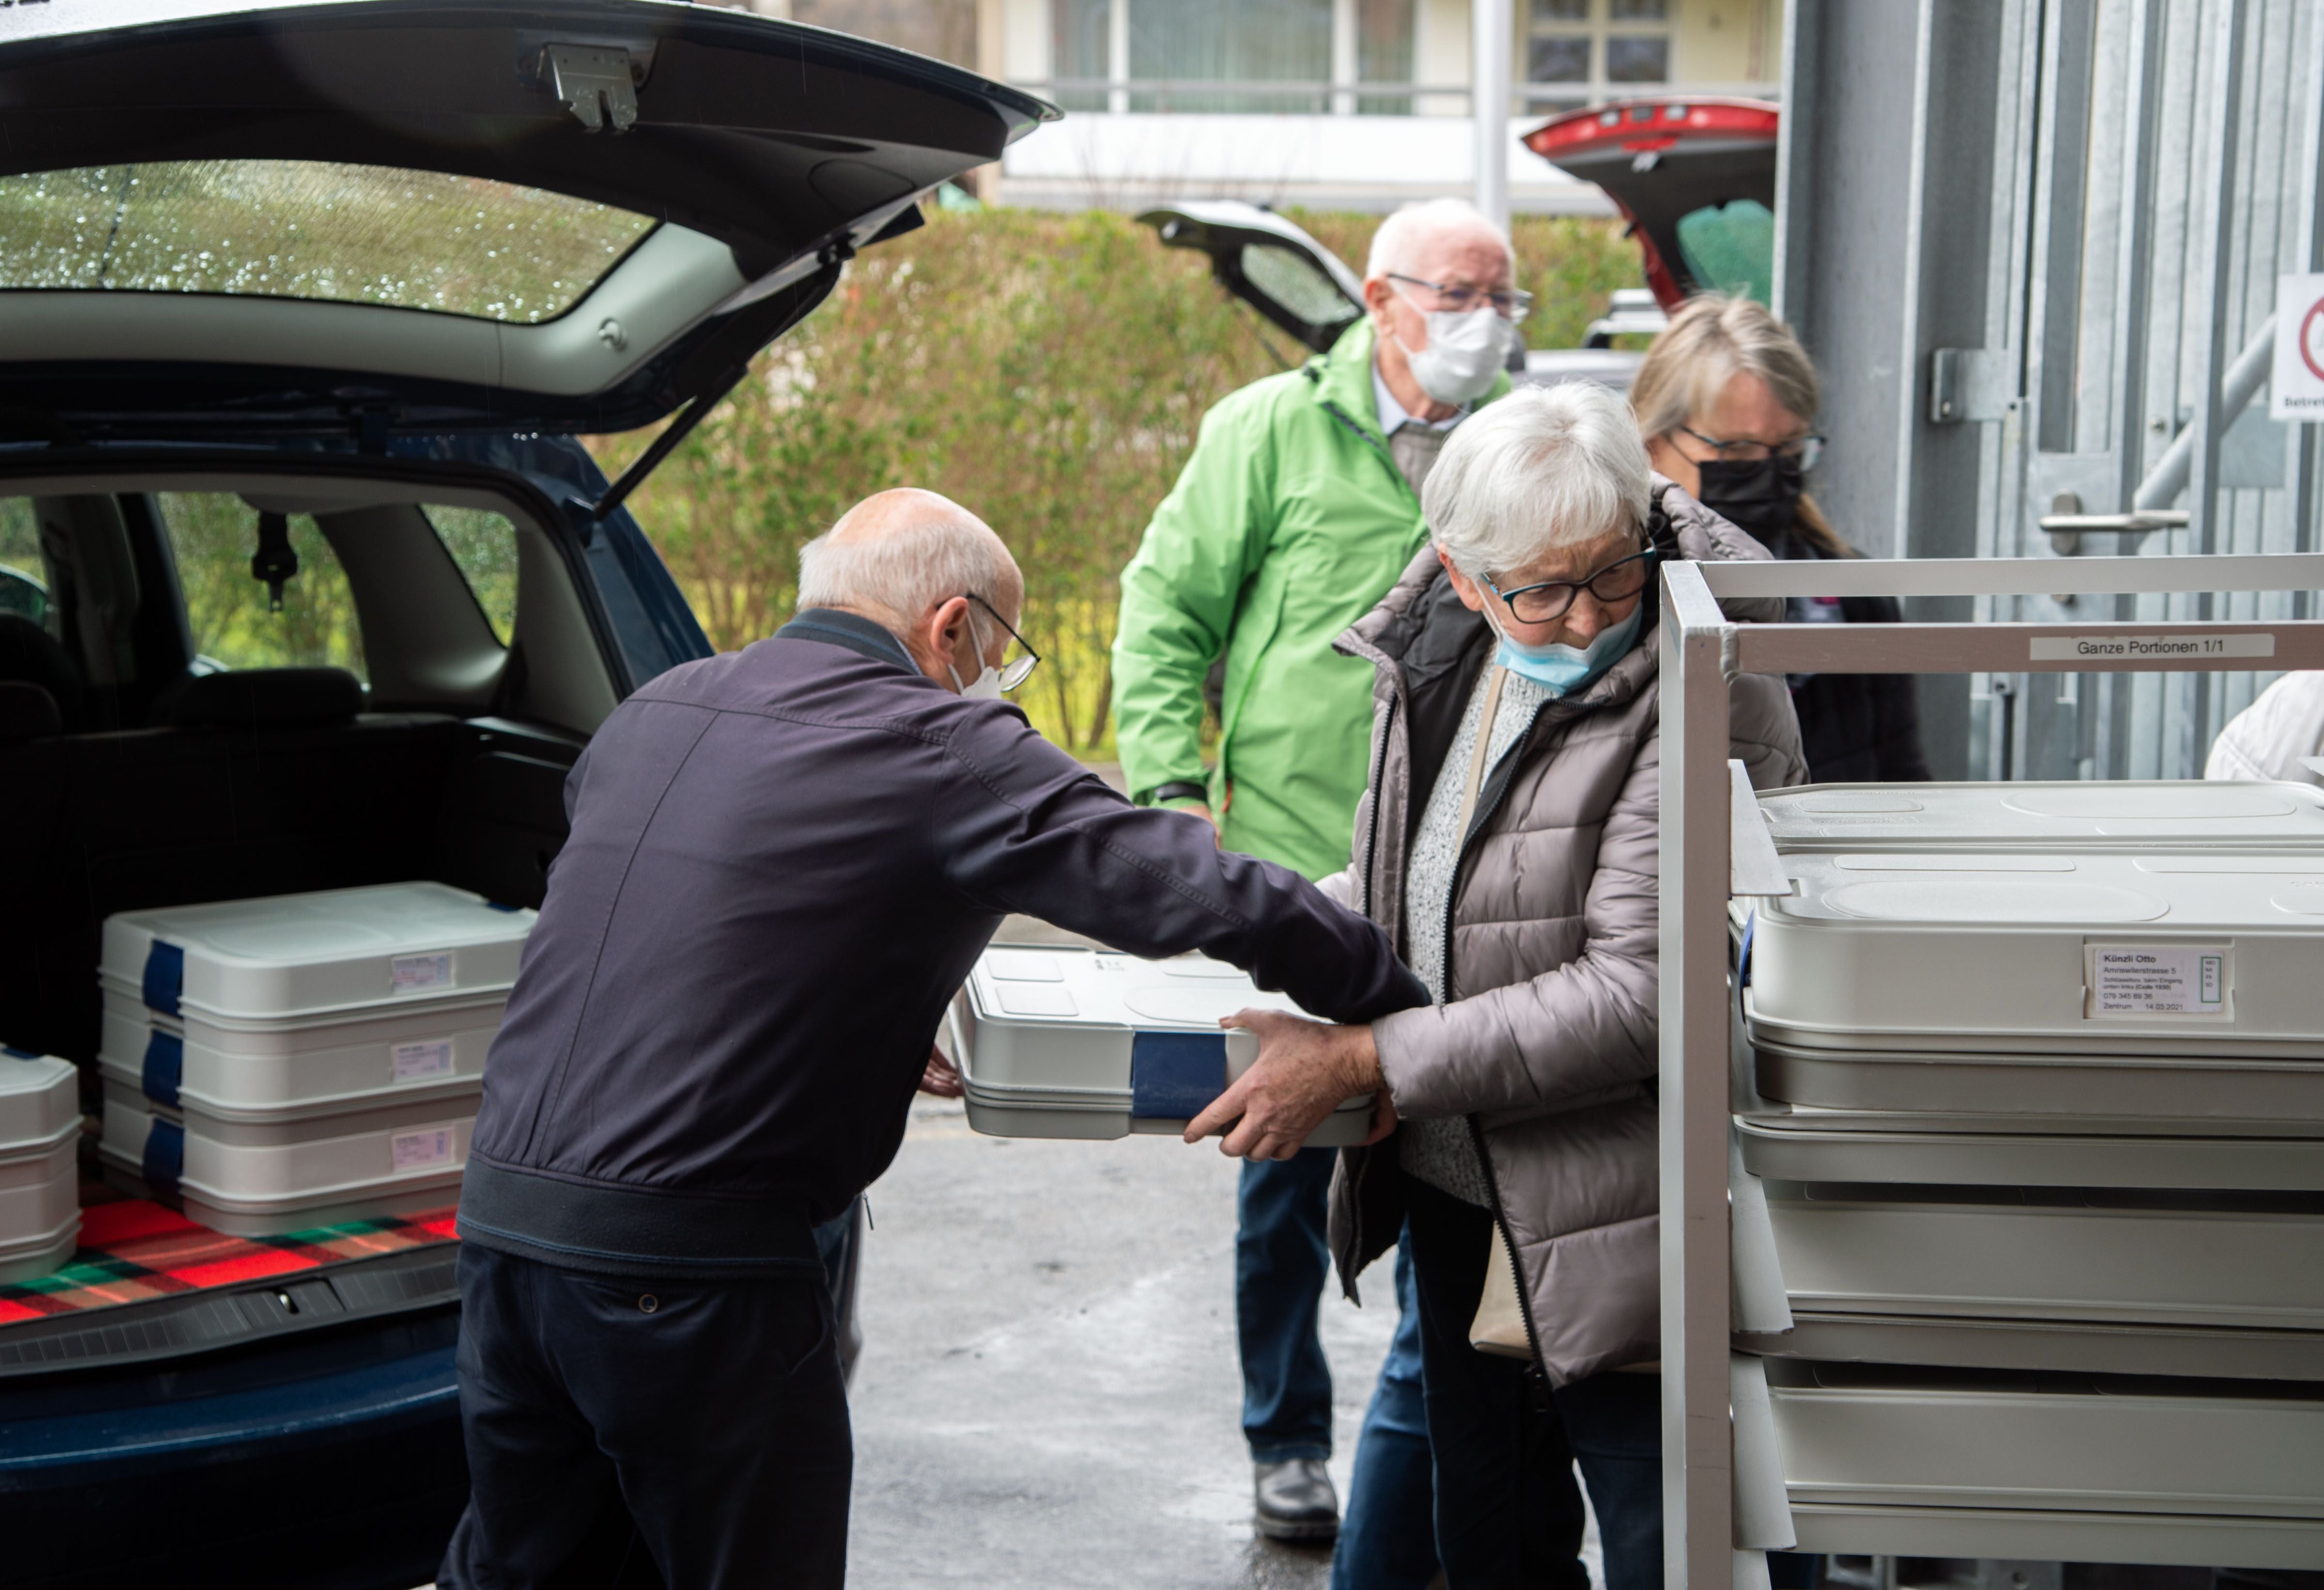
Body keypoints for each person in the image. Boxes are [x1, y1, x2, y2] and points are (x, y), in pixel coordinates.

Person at [439, 489, 1427, 1590]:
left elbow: (678, 918)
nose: (1001, 681)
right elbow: (1179, 880)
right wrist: (1387, 994)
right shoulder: (940, 734)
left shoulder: (661, 705)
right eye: (1004, 651)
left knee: (525, 1571)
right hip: (691, 1270)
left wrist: (853, 1001)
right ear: (952, 626)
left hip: (504, 1235)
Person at [1187, 384, 1805, 1590]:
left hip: (1635, 1215)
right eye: (1539, 589)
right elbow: (1419, 867)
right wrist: (1281, 938)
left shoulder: (1697, 681)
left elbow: (1636, 993)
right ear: (1461, 574)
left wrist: (1368, 1059)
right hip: (1462, 1194)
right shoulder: (1440, 647)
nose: (1581, 621)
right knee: (1492, 1548)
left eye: (1611, 575)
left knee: (1674, 1547)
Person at [1111, 196, 1522, 1555]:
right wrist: (1170, 798)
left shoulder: (1521, 446)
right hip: (1298, 866)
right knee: (1285, 1158)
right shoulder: (1270, 432)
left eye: (1503, 297)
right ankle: (1286, 1437)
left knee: (1461, 1145)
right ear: (1385, 298)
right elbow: (1166, 611)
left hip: (1472, 871)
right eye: (1460, 295)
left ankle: (1423, 1435)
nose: (1487, 322)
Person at [1634, 295, 1929, 783]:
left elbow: (1904, 785)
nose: (1768, 471)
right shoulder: (1611, 601)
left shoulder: (1857, 600)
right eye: (1737, 448)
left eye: (1789, 447)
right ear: (1652, 446)